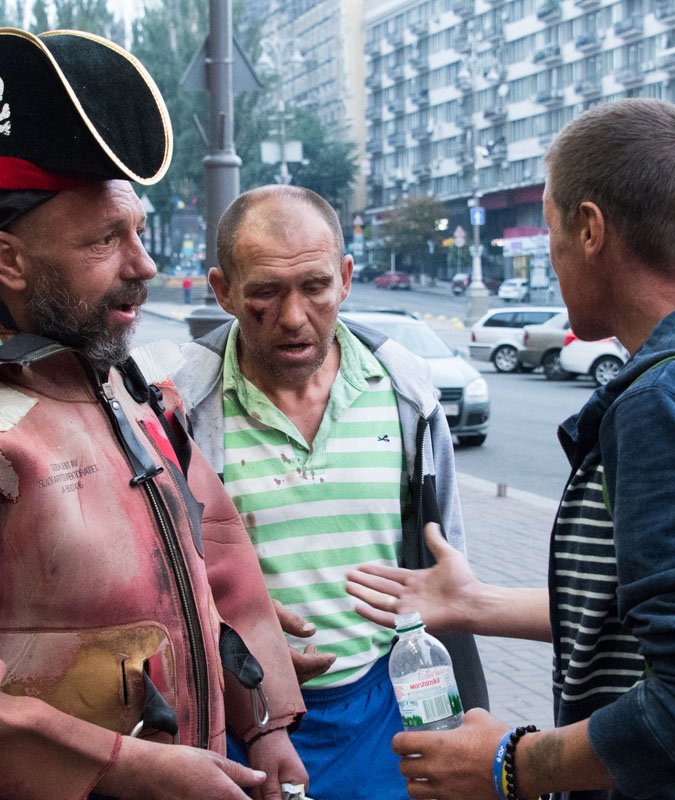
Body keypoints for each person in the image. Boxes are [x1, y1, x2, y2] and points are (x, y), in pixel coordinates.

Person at [0, 29, 306, 800]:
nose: (145, 264)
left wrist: (268, 723)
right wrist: (126, 771)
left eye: (139, 231)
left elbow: (218, 559)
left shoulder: (126, 389)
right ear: (11, 260)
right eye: (105, 240)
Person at [346, 98, 675, 799]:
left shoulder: (670, 404)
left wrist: (512, 764)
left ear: (589, 229)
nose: (552, 258)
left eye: (553, 231)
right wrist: (478, 602)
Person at [134, 184, 488, 800]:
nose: (295, 317)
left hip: (385, 709)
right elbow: (147, 580)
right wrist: (232, 638)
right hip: (241, 716)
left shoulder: (406, 391)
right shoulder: (175, 407)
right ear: (222, 291)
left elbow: (444, 561)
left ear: (346, 279)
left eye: (316, 288)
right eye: (266, 293)